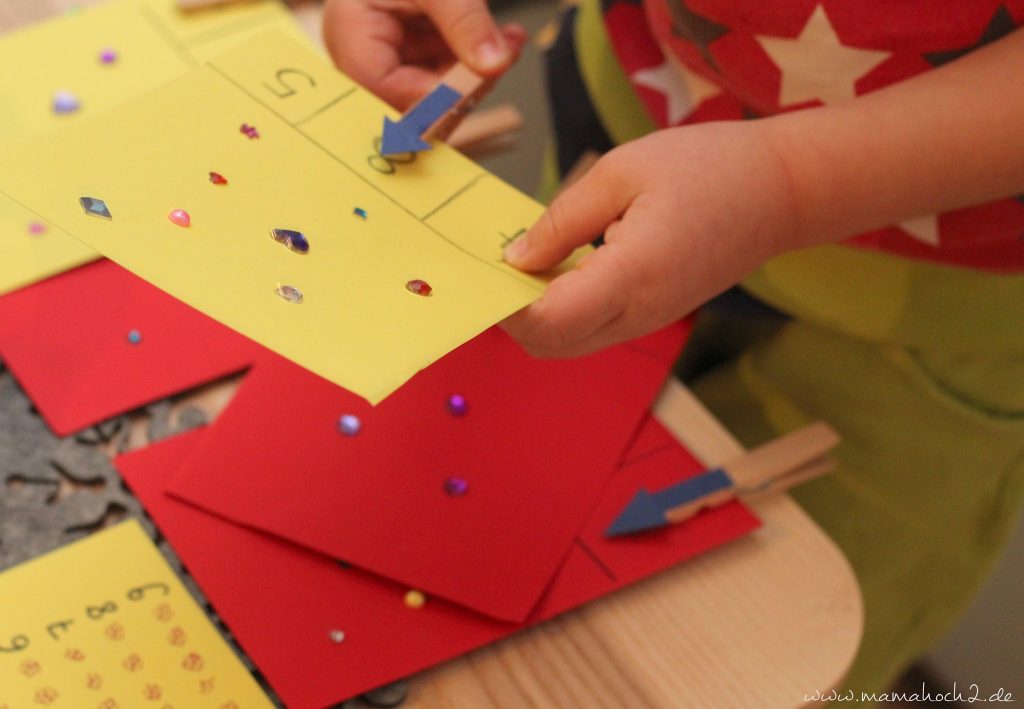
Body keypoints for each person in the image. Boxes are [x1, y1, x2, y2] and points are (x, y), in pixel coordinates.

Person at [324, 0, 1024, 697]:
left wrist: (789, 181)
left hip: (935, 310)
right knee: (515, 472)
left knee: (758, 638)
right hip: (633, 139)